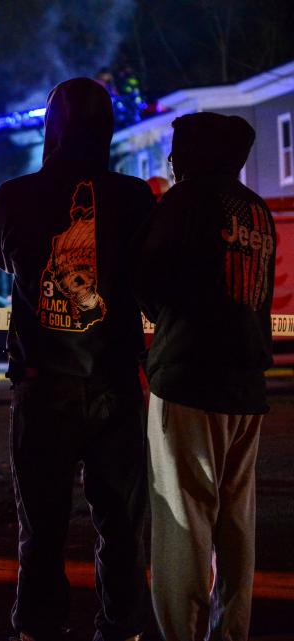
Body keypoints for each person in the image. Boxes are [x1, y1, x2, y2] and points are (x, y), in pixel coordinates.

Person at [0, 78, 155, 641]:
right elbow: (150, 284)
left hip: (41, 380)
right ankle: (123, 627)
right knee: (122, 523)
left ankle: (38, 628)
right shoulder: (133, 199)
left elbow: (3, 257)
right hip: (114, 380)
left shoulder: (14, 195)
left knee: (42, 524)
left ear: (50, 127)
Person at [133, 113, 274, 641]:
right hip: (247, 387)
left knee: (183, 520)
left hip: (188, 380)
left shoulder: (184, 202)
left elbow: (148, 279)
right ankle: (230, 630)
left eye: (176, 148)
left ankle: (182, 633)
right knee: (236, 525)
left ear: (192, 154)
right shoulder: (257, 210)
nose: (171, 159)